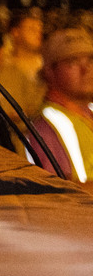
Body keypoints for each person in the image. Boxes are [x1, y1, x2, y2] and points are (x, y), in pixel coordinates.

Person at [30, 26, 93, 185]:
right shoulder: (46, 127)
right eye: (72, 62)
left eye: (90, 60)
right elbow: (54, 190)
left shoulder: (88, 112)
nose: (86, 69)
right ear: (49, 72)